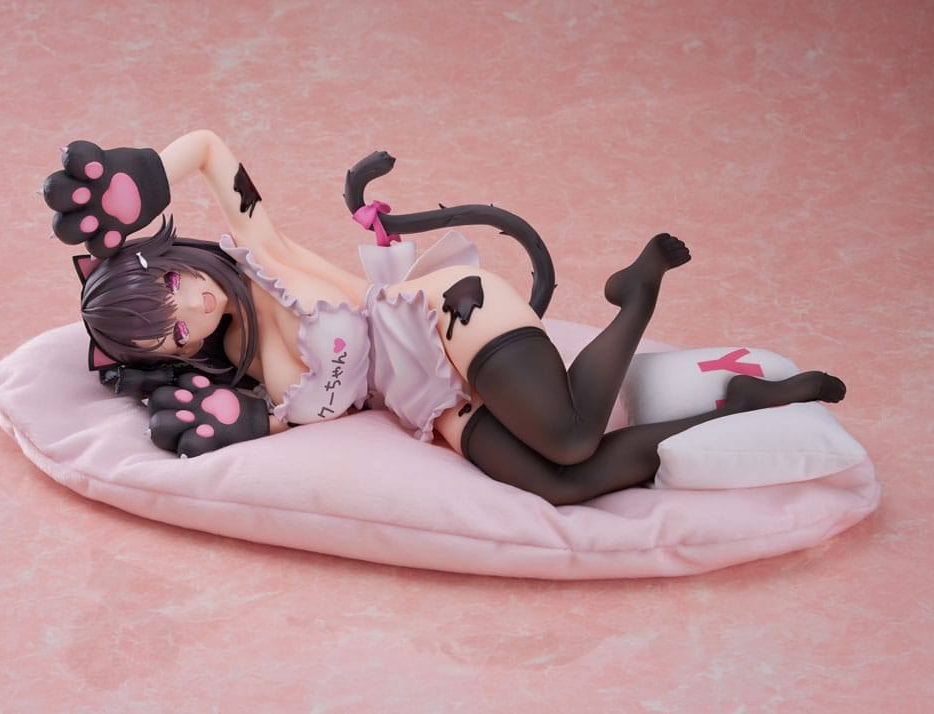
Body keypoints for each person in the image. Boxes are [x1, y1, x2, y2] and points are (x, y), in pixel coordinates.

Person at [43, 130, 846, 505]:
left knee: (570, 435)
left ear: (172, 255)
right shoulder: (249, 379)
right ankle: (743, 409)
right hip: (424, 399)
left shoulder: (257, 248)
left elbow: (210, 149)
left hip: (445, 316)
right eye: (172, 331)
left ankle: (635, 296)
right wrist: (238, 421)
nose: (191, 307)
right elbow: (294, 416)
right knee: (562, 483)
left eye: (172, 285)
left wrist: (138, 178)